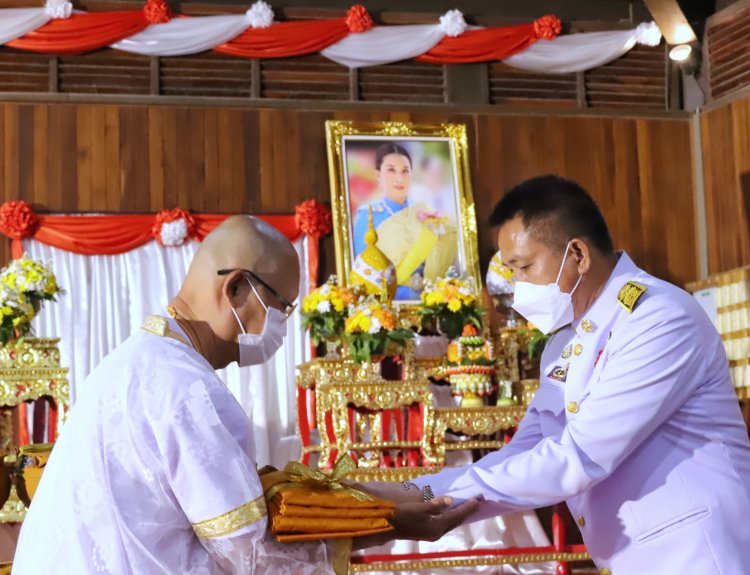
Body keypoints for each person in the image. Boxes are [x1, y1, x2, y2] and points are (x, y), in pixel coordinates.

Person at [13, 216, 477, 573]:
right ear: (235, 287)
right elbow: (249, 554)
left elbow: (243, 499)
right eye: (280, 308)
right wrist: (389, 525)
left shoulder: (140, 360)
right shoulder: (186, 387)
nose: (280, 326)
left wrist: (379, 500)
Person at [365, 175, 750, 574]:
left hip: (696, 554)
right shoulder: (563, 342)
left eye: (525, 267)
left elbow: (576, 458)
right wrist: (414, 492)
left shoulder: (658, 317)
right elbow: (526, 453)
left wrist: (414, 496)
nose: (518, 287)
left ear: (578, 254)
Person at [352, 143, 457, 300]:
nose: (399, 178)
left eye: (405, 171)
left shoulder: (425, 213)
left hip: (428, 302)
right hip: (387, 304)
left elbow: (440, 263)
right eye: (391, 170)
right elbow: (365, 273)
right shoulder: (368, 215)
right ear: (378, 175)